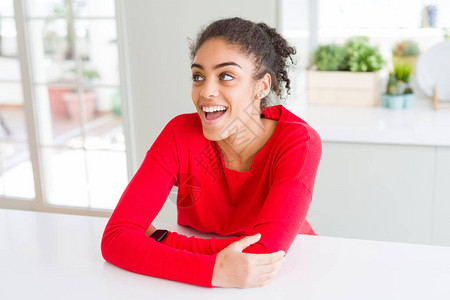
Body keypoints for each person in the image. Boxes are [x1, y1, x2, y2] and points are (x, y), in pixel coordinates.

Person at [101, 17, 322, 289]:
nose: (206, 91)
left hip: (287, 276)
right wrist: (213, 271)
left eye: (226, 76)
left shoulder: (298, 141)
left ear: (261, 86)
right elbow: (115, 238)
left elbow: (263, 255)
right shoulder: (179, 133)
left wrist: (162, 239)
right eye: (198, 76)